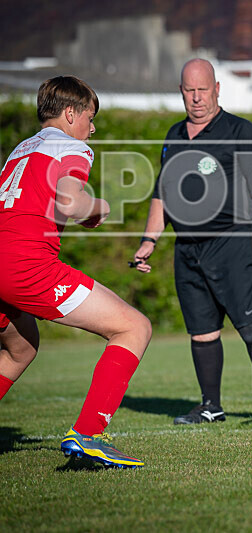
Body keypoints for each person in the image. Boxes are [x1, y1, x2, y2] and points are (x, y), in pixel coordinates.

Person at [0, 76, 151, 468]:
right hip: (25, 265)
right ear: (71, 113)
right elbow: (71, 201)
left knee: (20, 349)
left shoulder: (21, 149)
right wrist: (100, 207)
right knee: (133, 327)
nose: (93, 127)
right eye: (90, 116)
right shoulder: (72, 146)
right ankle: (88, 435)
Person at [133, 59, 252, 424]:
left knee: (251, 326)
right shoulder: (173, 135)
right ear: (181, 92)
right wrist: (148, 240)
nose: (197, 98)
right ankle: (210, 406)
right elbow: (162, 193)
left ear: (217, 89)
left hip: (232, 243)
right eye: (190, 90)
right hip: (187, 249)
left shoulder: (240, 131)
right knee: (202, 332)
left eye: (203, 90)